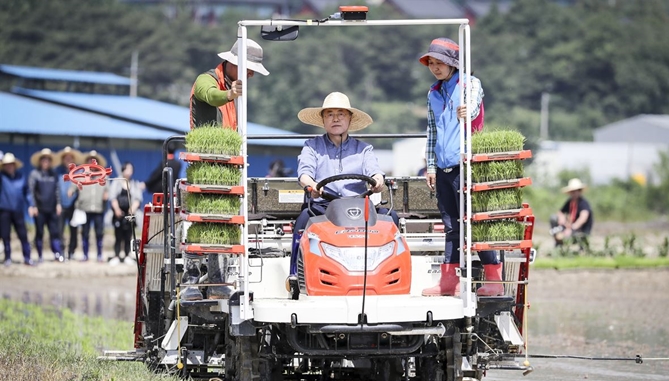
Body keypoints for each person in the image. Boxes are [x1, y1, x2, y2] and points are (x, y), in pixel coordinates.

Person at [181, 38, 269, 302]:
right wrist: (230, 94)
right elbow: (209, 96)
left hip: (229, 166)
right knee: (200, 220)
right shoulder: (206, 80)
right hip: (205, 165)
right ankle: (192, 280)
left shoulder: (237, 88)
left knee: (224, 224)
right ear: (232, 64)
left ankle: (219, 280)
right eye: (248, 68)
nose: (251, 74)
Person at [286, 91, 399, 292]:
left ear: (350, 118)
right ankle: (294, 273)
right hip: (324, 205)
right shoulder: (311, 146)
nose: (335, 118)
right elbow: (304, 173)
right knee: (304, 217)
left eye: (341, 113)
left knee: (392, 218)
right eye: (329, 114)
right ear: (323, 120)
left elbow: (375, 171)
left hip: (358, 204)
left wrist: (378, 181)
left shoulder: (364, 149)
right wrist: (311, 186)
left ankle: (391, 274)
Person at [418, 37, 503, 297]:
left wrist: (468, 110)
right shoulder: (433, 93)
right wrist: (430, 166)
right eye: (431, 63)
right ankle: (448, 282)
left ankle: (494, 281)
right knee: (451, 224)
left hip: (464, 165)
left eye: (440, 62)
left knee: (474, 223)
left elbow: (473, 105)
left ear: (453, 64)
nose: (435, 67)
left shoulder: (469, 84)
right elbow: (432, 131)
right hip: (443, 167)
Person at [28, 148, 64, 263]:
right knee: (39, 233)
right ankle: (40, 255)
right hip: (40, 209)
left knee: (54, 232)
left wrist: (58, 204)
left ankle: (57, 254)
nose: (46, 162)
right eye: (44, 160)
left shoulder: (54, 175)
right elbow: (31, 191)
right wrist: (33, 206)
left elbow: (57, 191)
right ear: (40, 161)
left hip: (52, 209)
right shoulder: (34, 174)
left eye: (48, 160)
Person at [0, 152, 35, 266]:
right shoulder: (1, 177)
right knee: (6, 235)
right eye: (6, 164)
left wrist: (31, 205)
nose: (9, 166)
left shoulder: (21, 177)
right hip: (4, 210)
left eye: (11, 164)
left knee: (23, 235)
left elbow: (27, 193)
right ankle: (8, 258)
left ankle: (27, 257)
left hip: (18, 211)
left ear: (14, 165)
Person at [75, 150, 109, 262]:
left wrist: (106, 194)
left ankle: (99, 254)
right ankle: (85, 254)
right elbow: (73, 186)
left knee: (99, 232)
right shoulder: (81, 176)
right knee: (85, 232)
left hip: (98, 209)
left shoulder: (103, 176)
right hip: (85, 209)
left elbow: (107, 189)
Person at [109, 162, 144, 265]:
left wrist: (132, 209)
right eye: (127, 169)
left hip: (130, 214)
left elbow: (138, 198)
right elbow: (113, 197)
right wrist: (116, 209)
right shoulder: (116, 182)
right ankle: (116, 255)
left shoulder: (134, 184)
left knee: (128, 235)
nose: (129, 172)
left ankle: (127, 255)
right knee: (118, 235)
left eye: (130, 169)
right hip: (118, 213)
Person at [55, 146, 84, 260]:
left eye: (69, 158)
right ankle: (61, 251)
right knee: (60, 230)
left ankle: (71, 251)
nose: (68, 160)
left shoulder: (78, 172)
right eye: (65, 158)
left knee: (74, 230)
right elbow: (56, 189)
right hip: (61, 206)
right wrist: (57, 203)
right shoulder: (57, 172)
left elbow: (81, 186)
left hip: (74, 206)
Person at [550, 178, 593, 246]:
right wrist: (562, 218)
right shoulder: (570, 202)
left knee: (567, 235)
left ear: (579, 191)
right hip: (569, 228)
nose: (574, 193)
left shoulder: (583, 203)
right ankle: (558, 244)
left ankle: (580, 246)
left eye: (576, 191)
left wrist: (572, 228)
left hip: (580, 231)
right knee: (553, 218)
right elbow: (560, 212)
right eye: (572, 191)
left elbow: (583, 218)